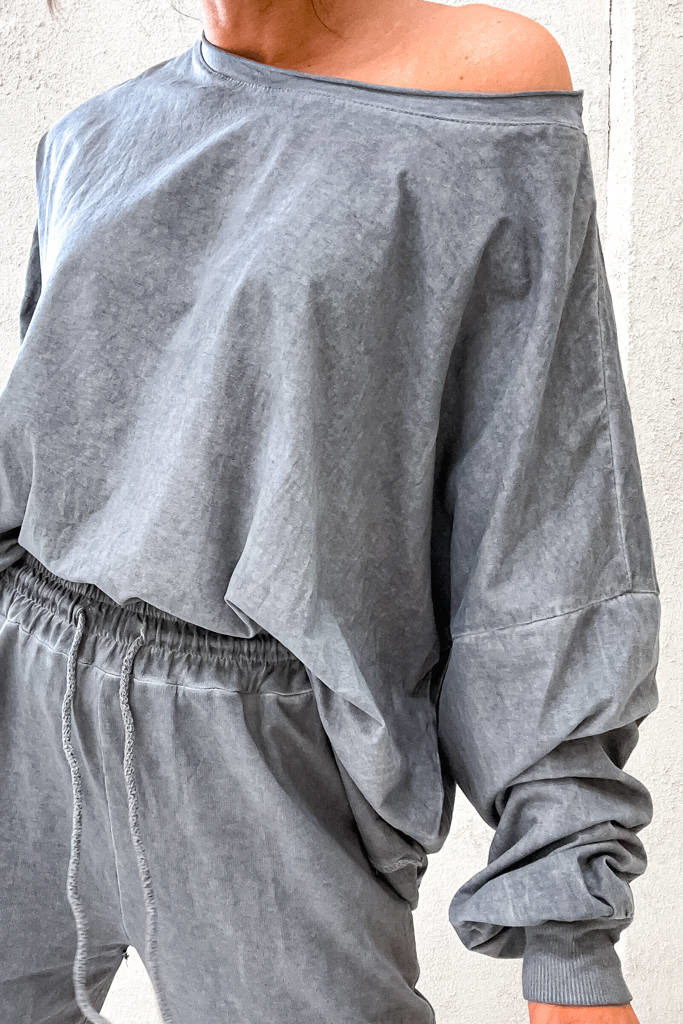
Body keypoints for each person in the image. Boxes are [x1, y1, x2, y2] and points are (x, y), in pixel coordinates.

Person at [0, 2, 661, 1023]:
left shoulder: (477, 94)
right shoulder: (94, 135)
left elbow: (539, 504)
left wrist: (565, 938)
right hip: (19, 701)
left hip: (263, 765)